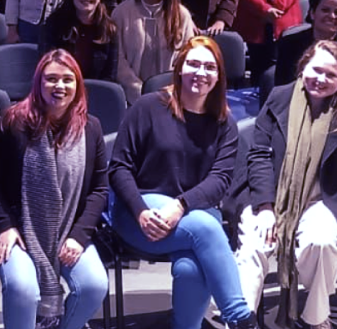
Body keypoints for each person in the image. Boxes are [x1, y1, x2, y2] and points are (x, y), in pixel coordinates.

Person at [110, 36, 258, 329]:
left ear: (219, 75)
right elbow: (119, 168)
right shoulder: (148, 106)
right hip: (140, 212)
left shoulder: (224, 122)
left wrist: (180, 205)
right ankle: (241, 318)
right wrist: (140, 210)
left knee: (191, 269)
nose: (200, 73)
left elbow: (220, 180)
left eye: (209, 67)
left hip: (195, 212)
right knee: (205, 228)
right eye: (193, 64)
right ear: (179, 67)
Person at [230, 40, 337, 329]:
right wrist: (266, 206)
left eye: (331, 75)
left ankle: (316, 317)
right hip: (270, 195)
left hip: (324, 199)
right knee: (254, 246)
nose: (321, 79)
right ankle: (242, 319)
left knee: (320, 243)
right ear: (303, 66)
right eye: (316, 70)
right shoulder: (279, 97)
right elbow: (259, 154)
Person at [0, 49, 110, 329]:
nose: (59, 86)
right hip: (17, 229)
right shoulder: (13, 122)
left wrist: (79, 235)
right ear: (38, 83)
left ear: (78, 85)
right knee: (24, 288)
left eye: (67, 80)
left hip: (69, 230)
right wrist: (5, 226)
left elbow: (99, 189)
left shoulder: (91, 127)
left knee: (94, 285)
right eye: (51, 79)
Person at [113, 0, 197, 102]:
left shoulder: (182, 15)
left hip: (170, 97)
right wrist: (137, 89)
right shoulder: (122, 12)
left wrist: (168, 89)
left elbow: (186, 57)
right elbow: (117, 58)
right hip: (128, 97)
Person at [41, 0, 119, 81]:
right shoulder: (53, 24)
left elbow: (110, 76)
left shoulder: (109, 29)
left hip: (95, 92)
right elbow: (48, 67)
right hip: (62, 88)